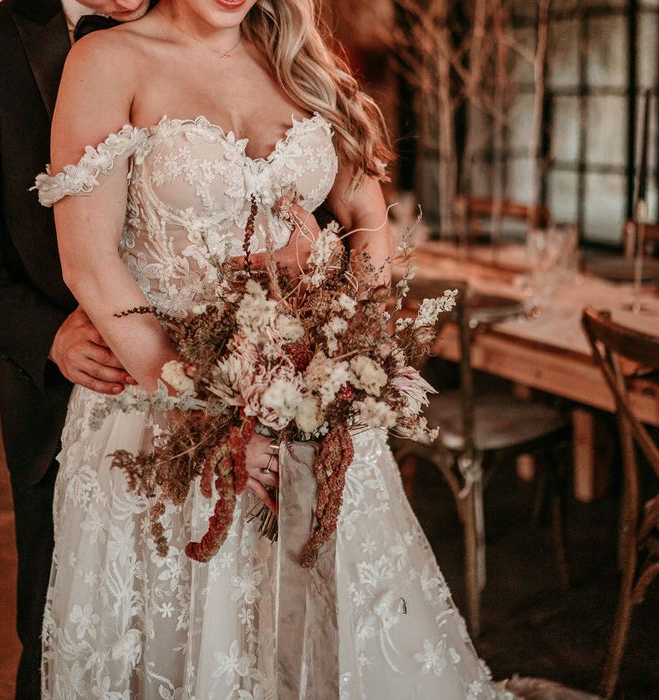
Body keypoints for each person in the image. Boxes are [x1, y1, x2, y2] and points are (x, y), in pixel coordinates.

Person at [31, 1, 561, 698]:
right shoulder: (106, 62)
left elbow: (370, 217)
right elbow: (92, 266)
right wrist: (208, 419)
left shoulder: (300, 62)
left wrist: (347, 334)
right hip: (160, 417)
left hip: (313, 409)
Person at [0, 1, 153, 697]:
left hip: (208, 389)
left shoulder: (200, 17)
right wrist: (45, 335)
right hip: (68, 400)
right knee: (62, 638)